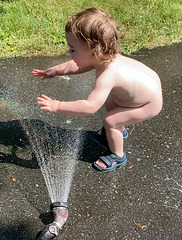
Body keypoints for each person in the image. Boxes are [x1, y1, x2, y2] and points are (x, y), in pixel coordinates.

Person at [32, 7, 163, 172]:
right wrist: (55, 71)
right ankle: (119, 131)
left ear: (94, 51)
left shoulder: (108, 75)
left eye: (72, 49)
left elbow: (89, 107)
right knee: (109, 99)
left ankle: (117, 155)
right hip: (145, 92)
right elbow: (77, 65)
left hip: (148, 105)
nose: (69, 51)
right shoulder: (105, 57)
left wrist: (57, 105)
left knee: (111, 120)